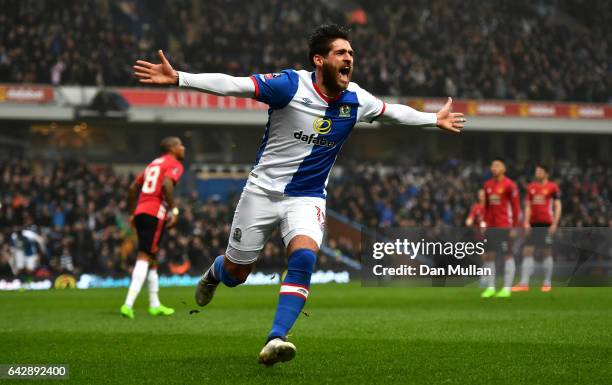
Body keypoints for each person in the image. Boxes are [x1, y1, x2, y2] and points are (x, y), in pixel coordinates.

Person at [133, 24, 465, 365]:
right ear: (319, 60)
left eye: (351, 53)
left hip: (307, 197)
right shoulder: (289, 85)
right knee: (236, 274)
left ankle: (276, 338)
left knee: (304, 258)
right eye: (341, 53)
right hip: (261, 192)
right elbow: (235, 85)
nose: (349, 58)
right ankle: (216, 273)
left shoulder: (356, 99)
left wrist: (432, 119)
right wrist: (180, 78)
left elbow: (392, 112)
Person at [120, 137, 185, 319]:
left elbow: (133, 188)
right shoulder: (174, 164)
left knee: (153, 257)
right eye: (180, 144)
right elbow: (166, 185)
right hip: (155, 213)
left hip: (141, 210)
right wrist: (174, 210)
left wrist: (132, 213)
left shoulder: (153, 164)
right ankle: (128, 304)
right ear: (172, 148)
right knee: (144, 255)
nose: (183, 148)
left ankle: (154, 304)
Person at [513, 165, 561, 292]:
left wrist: (555, 223)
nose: (537, 173)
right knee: (527, 251)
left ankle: (547, 283)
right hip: (533, 224)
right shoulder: (531, 187)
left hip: (546, 223)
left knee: (546, 251)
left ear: (546, 173)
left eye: (540, 171)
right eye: (536, 171)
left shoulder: (552, 187)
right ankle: (524, 283)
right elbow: (528, 206)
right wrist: (526, 222)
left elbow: (557, 205)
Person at [481, 158, 521, 298]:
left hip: (505, 225)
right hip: (491, 226)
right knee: (488, 256)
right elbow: (486, 207)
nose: (493, 168)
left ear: (504, 168)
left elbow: (516, 208)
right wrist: (484, 223)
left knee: (507, 255)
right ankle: (491, 287)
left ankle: (506, 288)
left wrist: (515, 226)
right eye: (492, 165)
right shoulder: (487, 185)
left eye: (497, 165)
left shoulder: (510, 185)